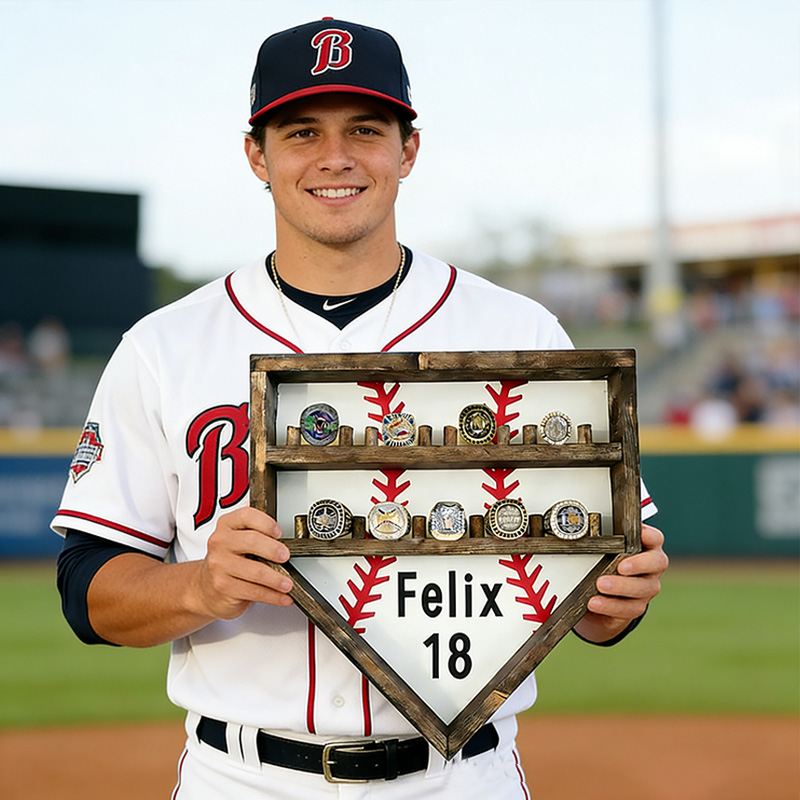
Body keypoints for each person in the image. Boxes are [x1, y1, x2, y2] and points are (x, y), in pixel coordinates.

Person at [53, 18, 668, 799]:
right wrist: (199, 586)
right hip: (241, 777)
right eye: (301, 130)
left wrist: (618, 600)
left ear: (408, 150)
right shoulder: (163, 347)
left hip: (463, 777)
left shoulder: (518, 333)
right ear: (257, 154)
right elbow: (85, 585)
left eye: (366, 130)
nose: (334, 158)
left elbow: (604, 588)